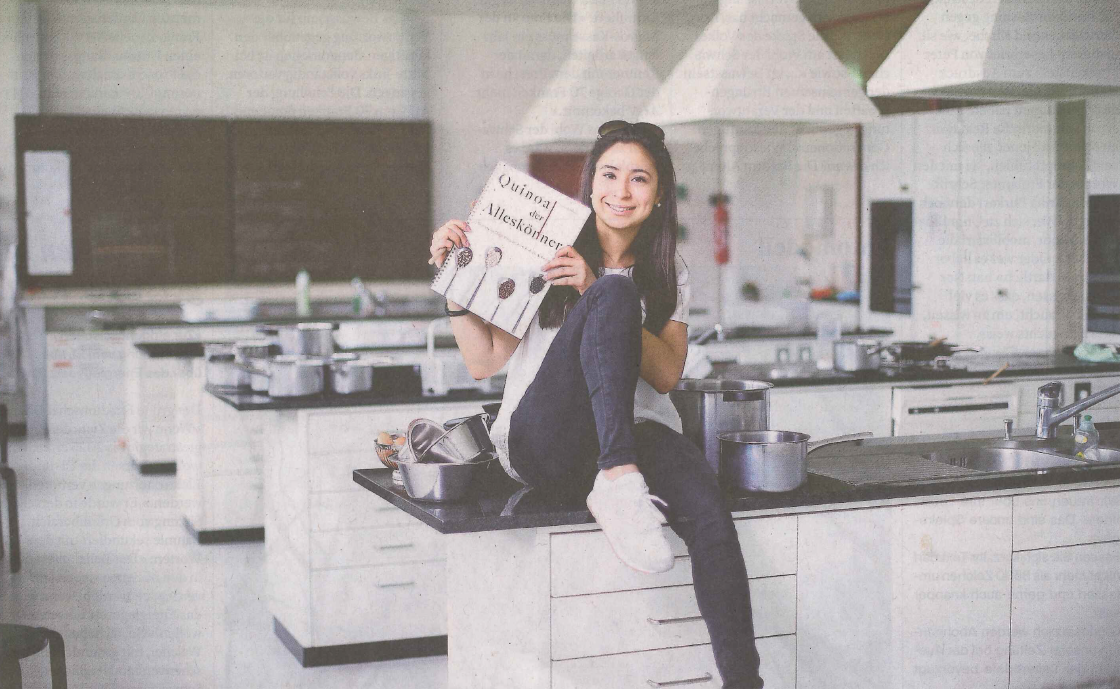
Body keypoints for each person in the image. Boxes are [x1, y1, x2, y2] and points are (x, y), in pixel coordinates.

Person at [429, 120, 764, 689]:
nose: (621, 191)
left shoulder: (670, 271)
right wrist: (453, 280)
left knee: (709, 511)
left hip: (636, 433)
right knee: (612, 290)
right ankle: (617, 477)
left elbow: (666, 375)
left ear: (659, 195)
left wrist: (596, 289)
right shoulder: (545, 254)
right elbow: (483, 361)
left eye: (639, 179)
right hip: (545, 441)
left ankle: (744, 682)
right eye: (610, 175)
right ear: (590, 183)